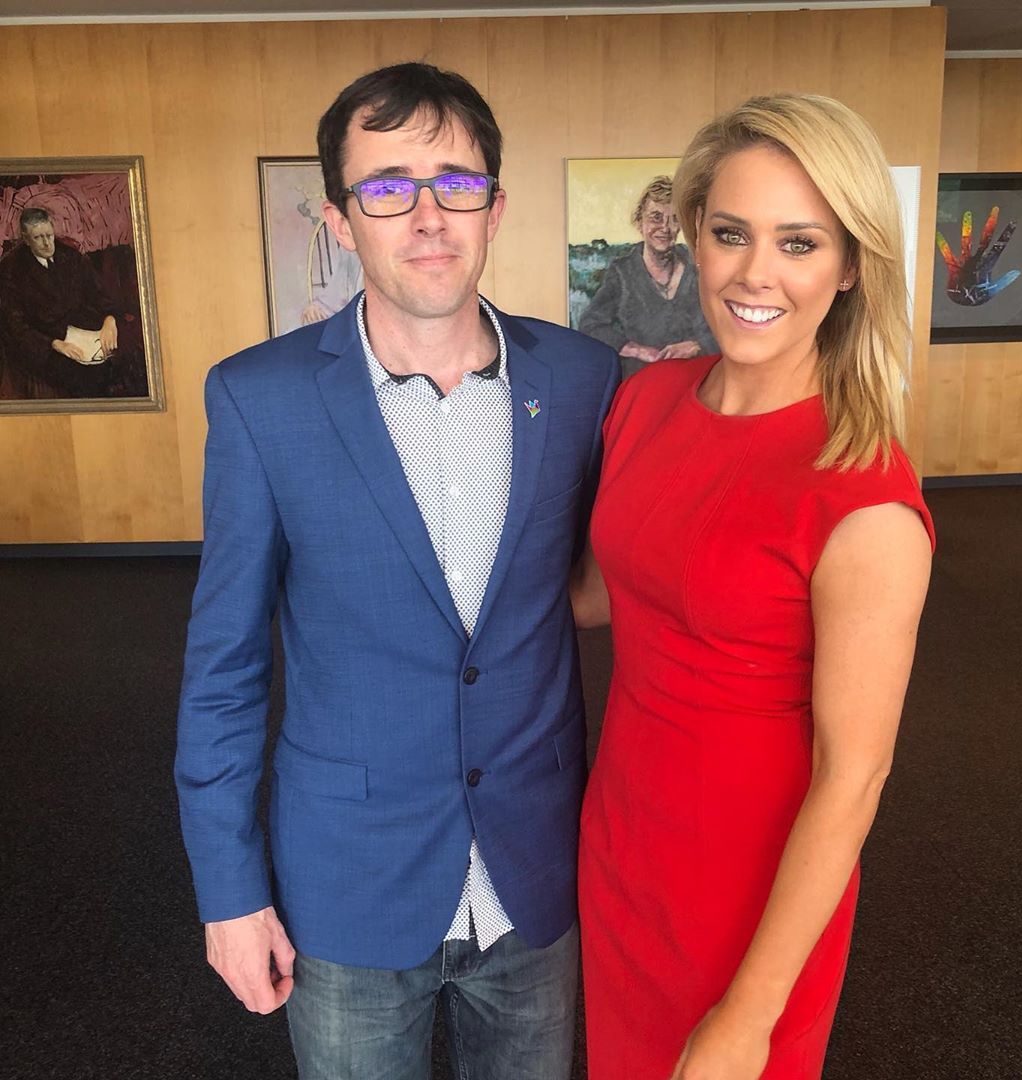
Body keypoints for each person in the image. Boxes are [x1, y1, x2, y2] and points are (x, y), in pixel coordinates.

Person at [174, 62, 619, 1080]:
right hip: (349, 883)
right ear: (340, 220)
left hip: (536, 871)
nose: (427, 216)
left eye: (456, 183)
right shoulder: (260, 400)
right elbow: (224, 669)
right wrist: (229, 892)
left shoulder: (583, 381)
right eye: (386, 188)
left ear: (494, 208)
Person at [573, 94, 934, 1079]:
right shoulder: (647, 401)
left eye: (799, 243)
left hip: (753, 893)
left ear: (850, 265)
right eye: (731, 233)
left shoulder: (865, 496)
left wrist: (750, 1013)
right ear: (695, 232)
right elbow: (600, 594)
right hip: (624, 839)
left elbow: (854, 776)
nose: (753, 273)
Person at [579, 174, 717, 381]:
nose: (665, 228)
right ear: (639, 221)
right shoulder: (622, 272)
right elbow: (590, 324)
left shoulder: (698, 267)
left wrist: (697, 346)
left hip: (696, 382)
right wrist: (636, 350)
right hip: (640, 383)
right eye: (656, 217)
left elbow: (727, 326)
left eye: (674, 219)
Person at [0, 207, 144, 399]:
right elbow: (15, 326)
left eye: (49, 235)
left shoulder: (71, 256)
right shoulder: (10, 270)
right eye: (38, 238)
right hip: (46, 341)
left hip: (84, 330)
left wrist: (109, 320)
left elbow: (99, 295)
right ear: (26, 239)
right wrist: (55, 344)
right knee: (83, 376)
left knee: (131, 355)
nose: (47, 243)